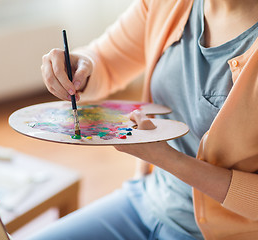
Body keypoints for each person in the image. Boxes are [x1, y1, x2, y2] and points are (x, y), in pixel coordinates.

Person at [33, 0, 258, 239]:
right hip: (148, 199)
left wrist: (167, 159)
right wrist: (81, 66)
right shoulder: (168, 4)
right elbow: (106, 60)